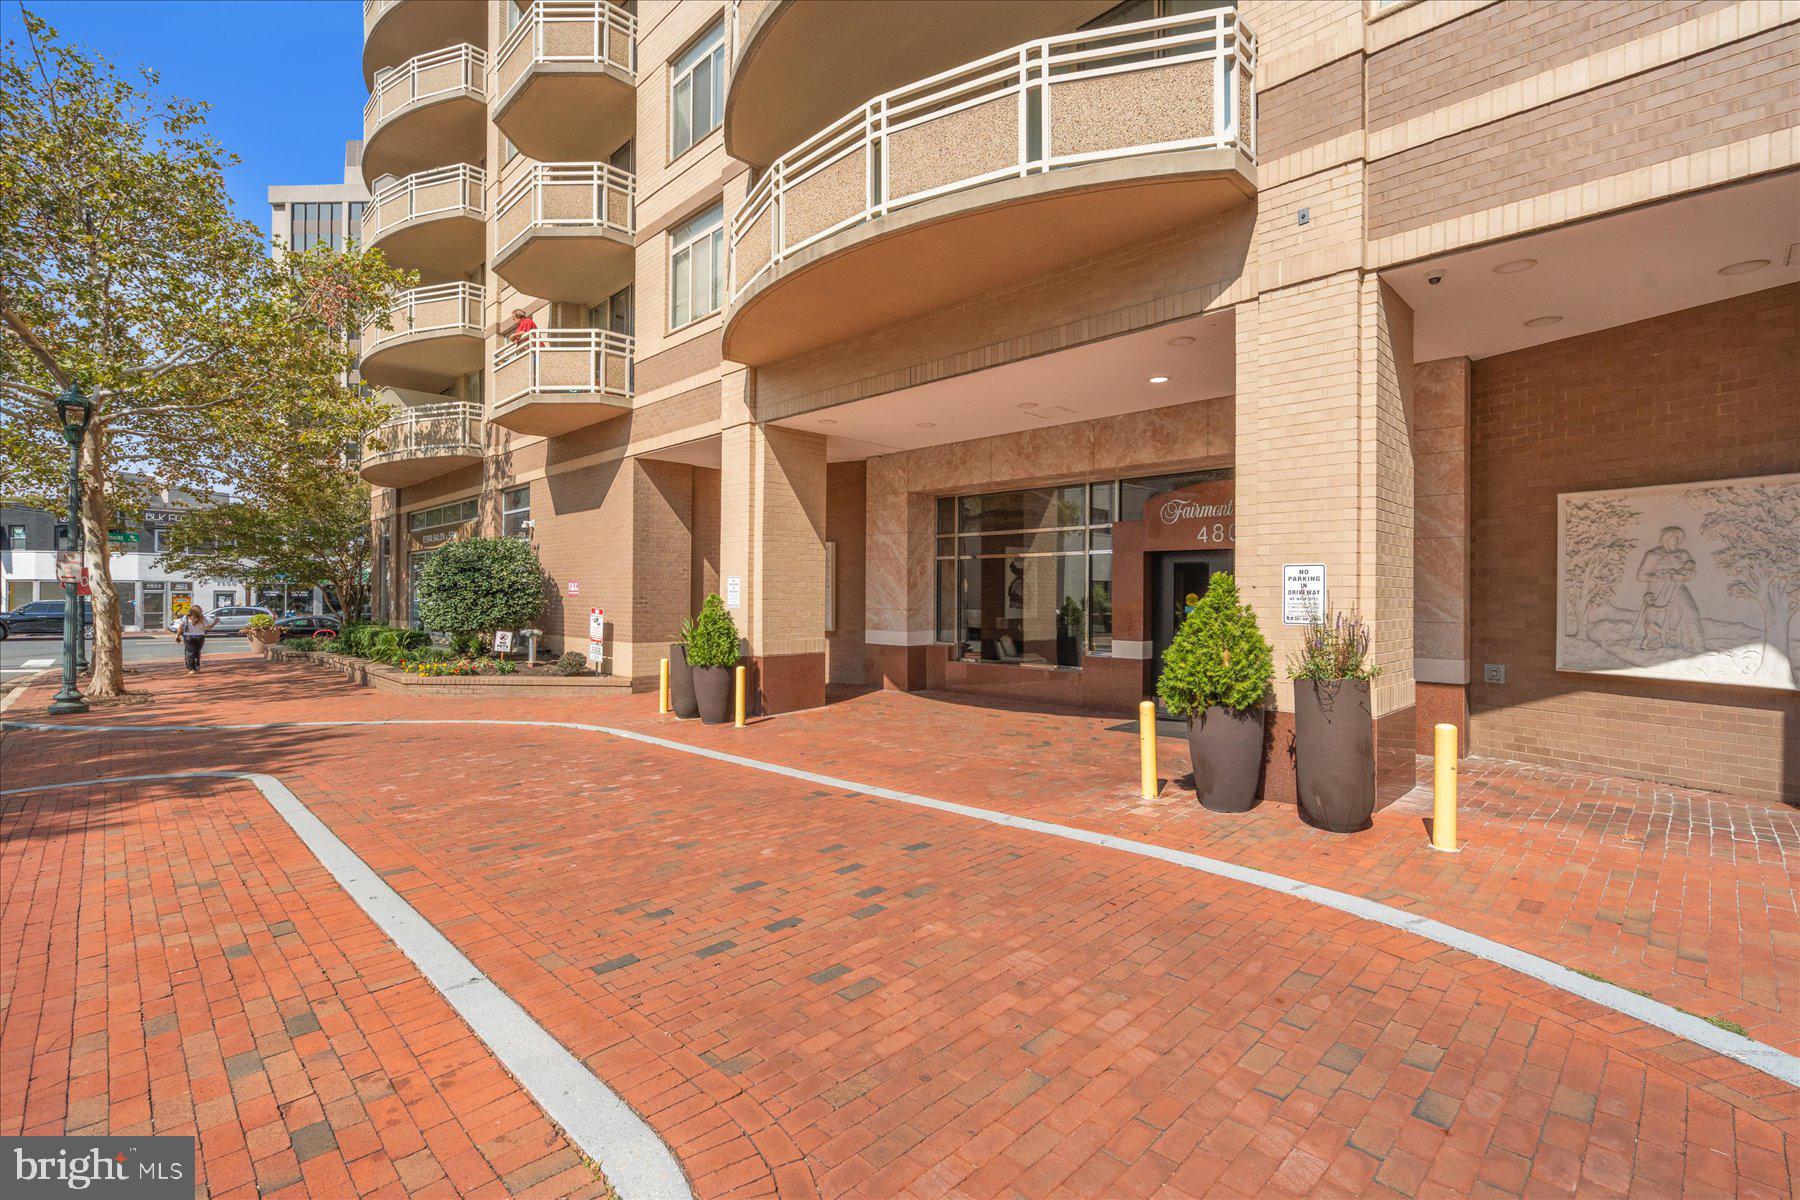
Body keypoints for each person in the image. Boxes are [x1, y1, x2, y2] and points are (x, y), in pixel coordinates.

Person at [1634, 526, 1704, 653]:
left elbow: (1691, 574)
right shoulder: (1653, 555)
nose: (1677, 542)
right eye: (1674, 539)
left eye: (1679, 539)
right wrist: (1656, 577)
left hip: (1678, 588)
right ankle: (1665, 644)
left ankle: (1698, 646)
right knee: (1663, 619)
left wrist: (1681, 576)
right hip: (1660, 590)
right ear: (1666, 539)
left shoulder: (1683, 554)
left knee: (1691, 612)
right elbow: (1641, 575)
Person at [171, 604, 219, 674]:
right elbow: (207, 628)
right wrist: (215, 622)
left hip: (188, 636)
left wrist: (177, 635)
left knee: (189, 653)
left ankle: (192, 669)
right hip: (200, 637)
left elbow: (180, 627)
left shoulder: (186, 617)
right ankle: (197, 666)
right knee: (197, 652)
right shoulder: (202, 618)